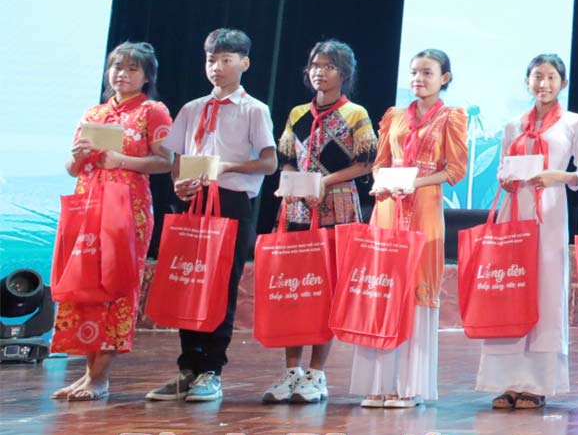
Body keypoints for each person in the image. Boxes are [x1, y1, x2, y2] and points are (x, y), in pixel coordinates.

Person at [148, 29, 278, 404]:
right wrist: (179, 184)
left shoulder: (254, 109)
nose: (216, 67)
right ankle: (187, 368)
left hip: (231, 202)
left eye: (225, 60)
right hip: (193, 200)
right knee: (187, 281)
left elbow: (269, 162)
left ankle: (211, 370)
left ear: (244, 63)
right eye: (211, 60)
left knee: (220, 286)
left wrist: (226, 167)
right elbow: (176, 159)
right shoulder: (192, 108)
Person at [51, 43, 172, 401]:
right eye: (117, 67)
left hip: (127, 211)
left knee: (115, 285)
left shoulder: (153, 111)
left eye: (133, 69)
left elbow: (166, 161)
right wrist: (76, 157)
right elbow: (72, 168)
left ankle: (100, 377)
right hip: (88, 205)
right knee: (84, 283)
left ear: (146, 77)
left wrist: (123, 161)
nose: (122, 74)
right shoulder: (94, 113)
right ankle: (88, 373)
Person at [353, 48, 467, 409]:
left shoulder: (451, 117)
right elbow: (380, 163)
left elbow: (455, 170)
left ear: (444, 78)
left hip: (424, 207)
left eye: (428, 73)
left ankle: (407, 386)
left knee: (417, 288)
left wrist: (414, 183)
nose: (419, 78)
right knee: (383, 287)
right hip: (388, 207)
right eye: (415, 72)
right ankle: (378, 383)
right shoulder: (395, 116)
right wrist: (385, 181)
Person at [266, 40, 376, 405]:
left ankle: (317, 373)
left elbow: (366, 162)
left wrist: (323, 182)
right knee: (294, 288)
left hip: (337, 207)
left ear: (343, 74)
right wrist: (292, 184)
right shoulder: (298, 112)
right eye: (315, 65)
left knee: (324, 288)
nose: (319, 72)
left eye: (328, 66)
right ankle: (291, 371)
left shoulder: (355, 114)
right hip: (297, 208)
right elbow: (286, 158)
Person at [480, 54, 578, 410]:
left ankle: (537, 383)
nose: (544, 83)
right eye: (537, 76)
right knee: (510, 290)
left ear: (563, 83)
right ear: (527, 81)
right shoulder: (513, 125)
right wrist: (505, 179)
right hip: (514, 210)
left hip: (550, 212)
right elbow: (502, 167)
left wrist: (559, 176)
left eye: (551, 77)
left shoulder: (574, 123)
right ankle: (507, 381)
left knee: (545, 290)